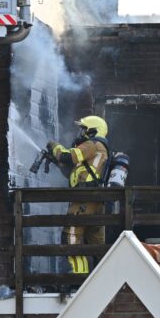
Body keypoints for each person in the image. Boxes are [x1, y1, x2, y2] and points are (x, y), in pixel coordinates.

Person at [47, 116, 109, 274]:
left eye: (84, 129)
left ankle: (78, 279)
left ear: (92, 130)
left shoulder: (92, 144)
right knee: (97, 247)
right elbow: (73, 172)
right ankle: (104, 280)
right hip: (95, 202)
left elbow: (67, 156)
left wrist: (53, 146)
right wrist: (56, 161)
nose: (81, 133)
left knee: (71, 238)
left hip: (84, 201)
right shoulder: (98, 148)